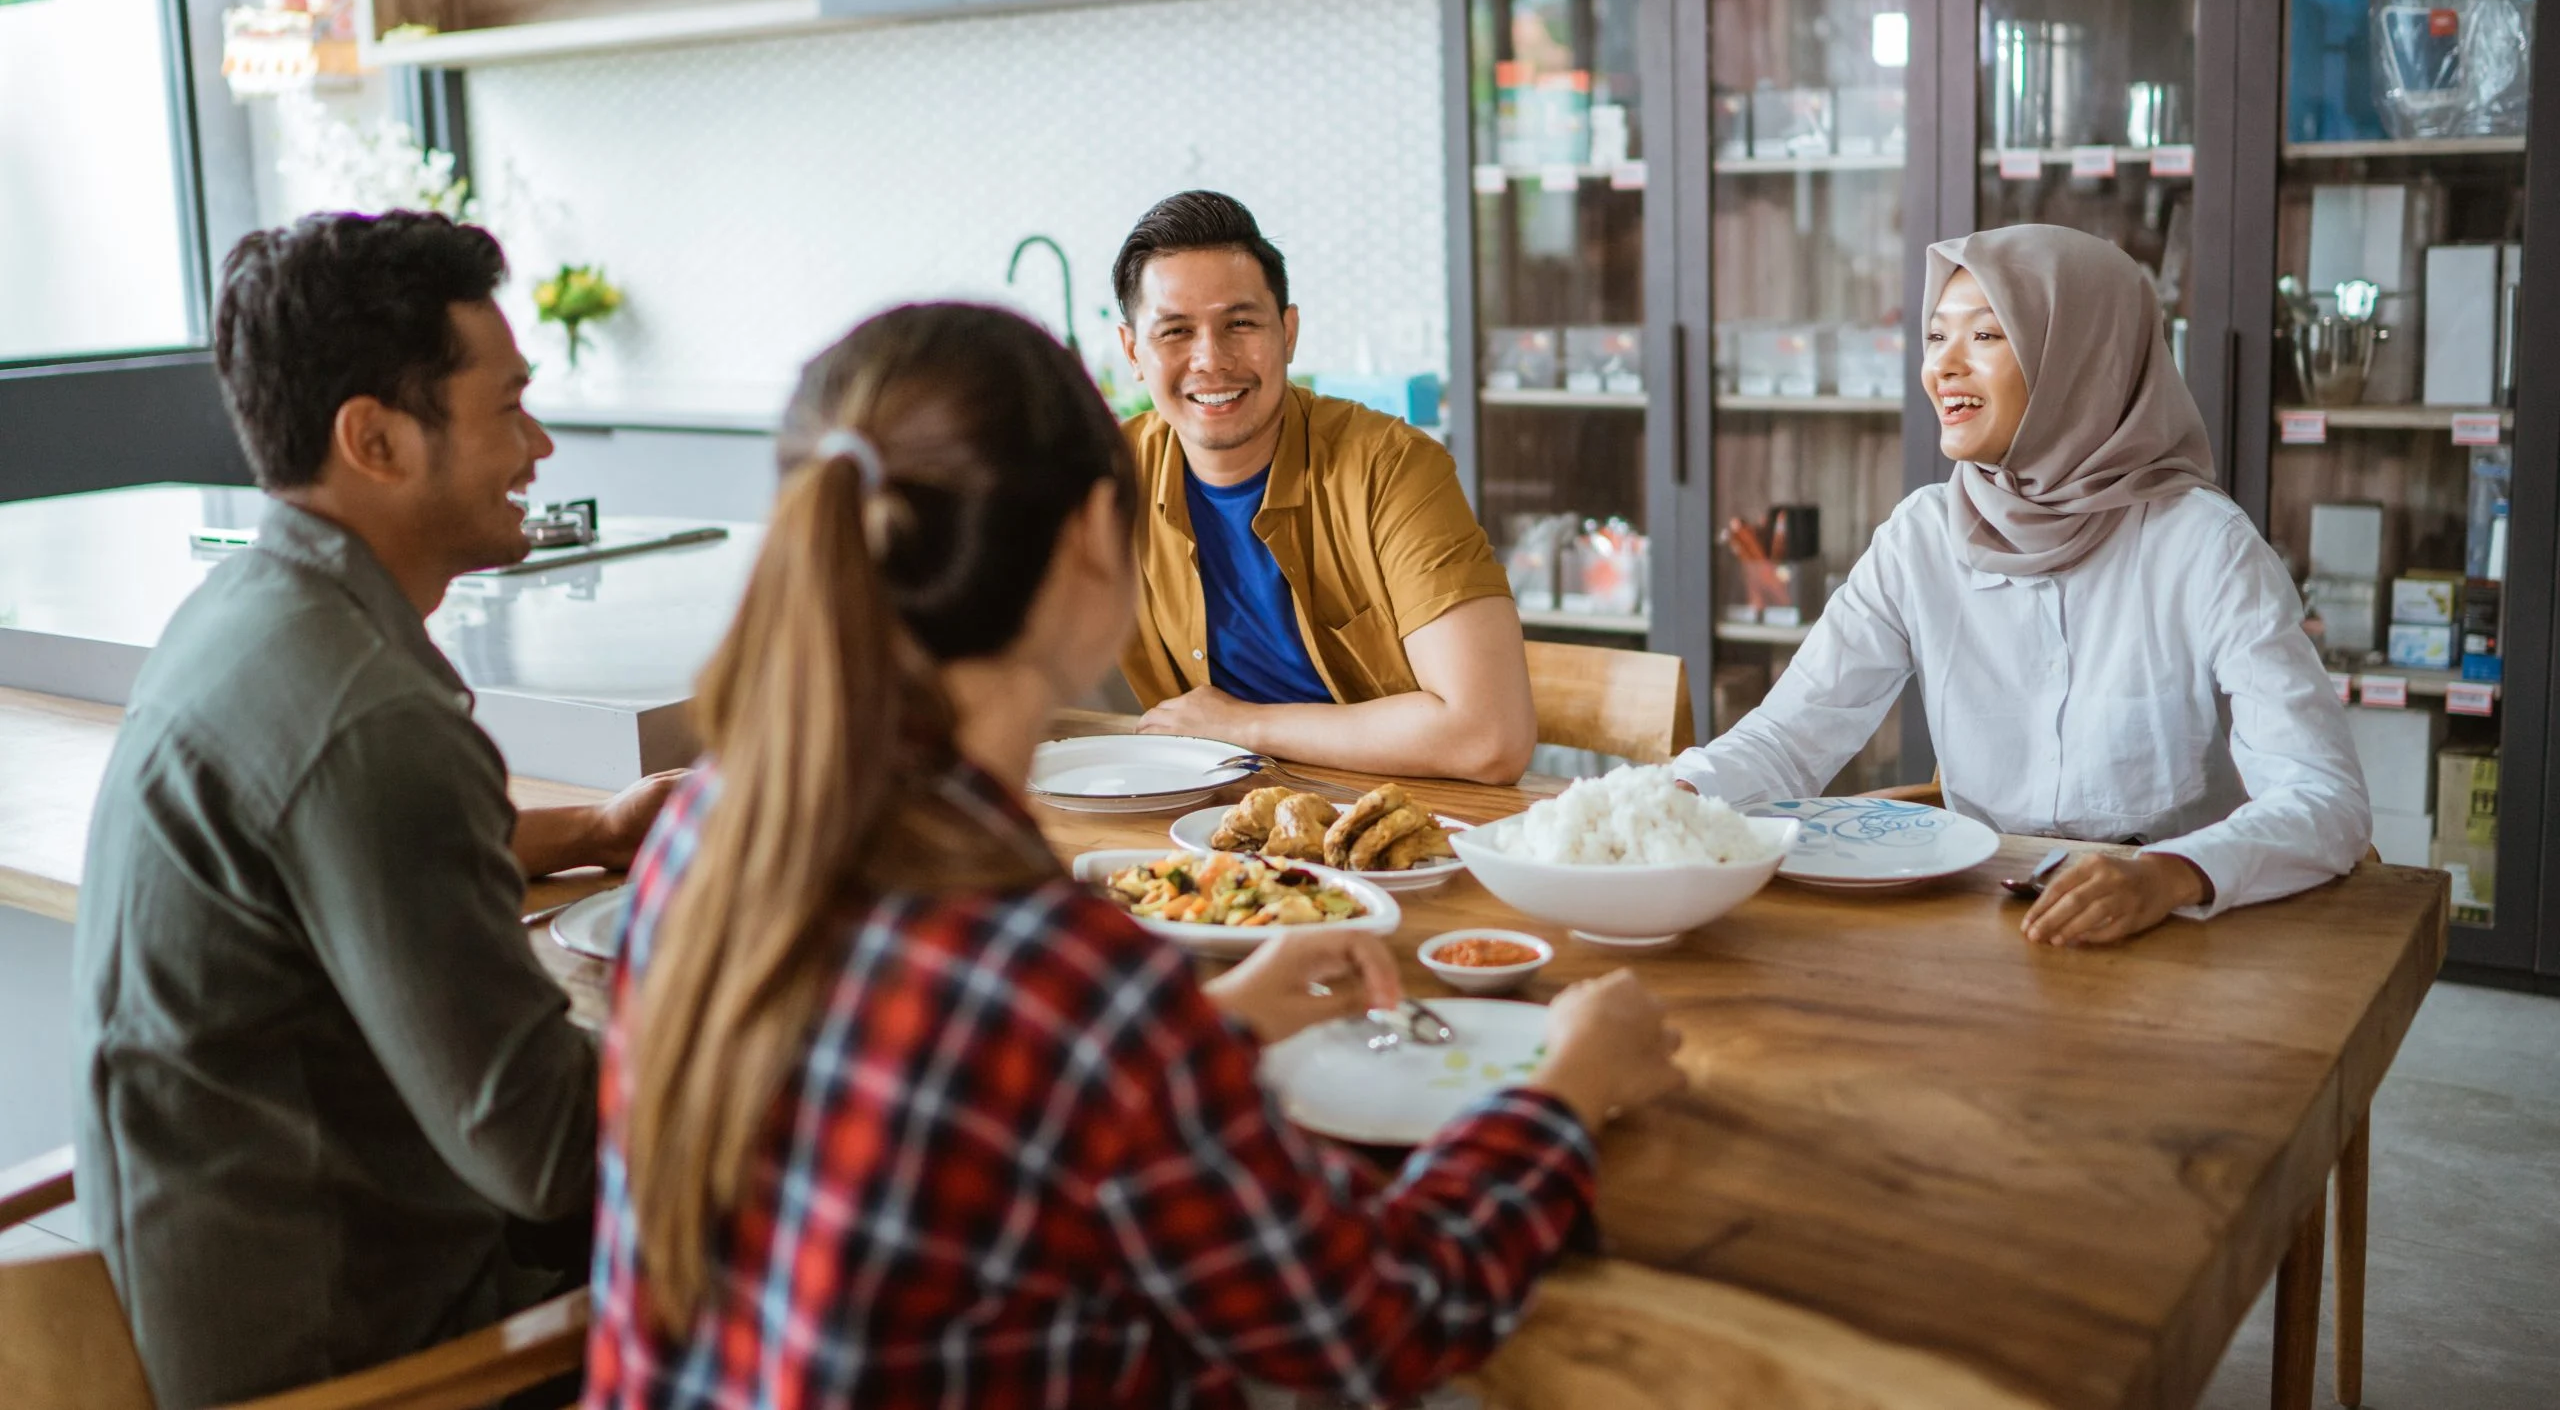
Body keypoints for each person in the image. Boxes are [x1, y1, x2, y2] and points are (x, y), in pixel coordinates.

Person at [585, 303, 1683, 1408]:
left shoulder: (709, 826)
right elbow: (1374, 1321)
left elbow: (976, 1109)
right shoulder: (1063, 979)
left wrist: (1201, 1032)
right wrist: (1570, 1085)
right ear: (1086, 543)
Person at [71, 212, 676, 1409]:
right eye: (508, 407)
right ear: (376, 440)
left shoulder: (251, 608)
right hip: (366, 1358)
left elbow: (357, 860)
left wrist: (600, 831)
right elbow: (550, 1152)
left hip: (223, 1284)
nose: (540, 443)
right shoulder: (366, 719)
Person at [1673, 224, 2370, 947]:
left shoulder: (2204, 545)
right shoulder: (1922, 536)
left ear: (2079, 359)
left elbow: (2324, 795)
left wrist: (2169, 873)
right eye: (1935, 335)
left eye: (1985, 337)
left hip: (2175, 923)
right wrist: (1679, 793)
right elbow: (1791, 734)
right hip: (1985, 918)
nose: (1943, 366)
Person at [1111, 190, 1537, 783]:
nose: (1211, 359)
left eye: (1240, 323)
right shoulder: (1105, 477)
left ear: (1288, 333)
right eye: (1176, 331)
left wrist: (1242, 726)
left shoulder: (1392, 468)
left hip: (1399, 823)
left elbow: (1490, 737)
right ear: (1133, 351)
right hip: (1200, 819)